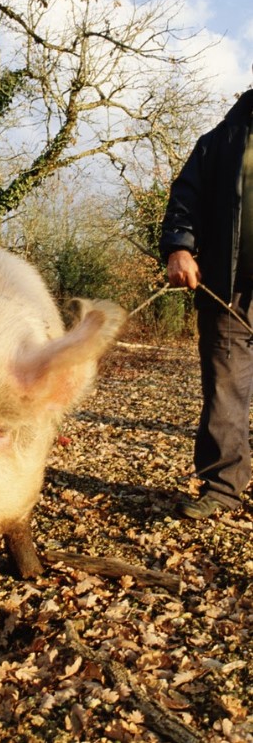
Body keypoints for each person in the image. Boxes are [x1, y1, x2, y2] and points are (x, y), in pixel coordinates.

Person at [160, 86, 253, 519]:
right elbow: (184, 200)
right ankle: (222, 489)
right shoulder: (218, 141)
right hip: (229, 289)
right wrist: (179, 248)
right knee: (225, 392)